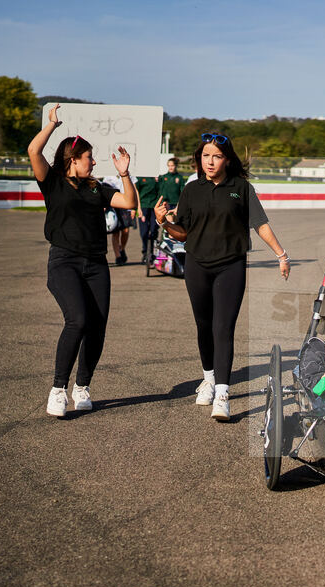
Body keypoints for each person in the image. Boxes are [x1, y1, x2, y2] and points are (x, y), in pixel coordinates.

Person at [156, 133, 290, 421]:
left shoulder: (241, 188)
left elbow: (260, 224)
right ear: (199, 159)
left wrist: (281, 255)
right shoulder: (192, 190)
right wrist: (163, 221)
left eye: (216, 156)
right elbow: (183, 233)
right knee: (203, 326)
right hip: (197, 266)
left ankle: (223, 394)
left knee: (223, 328)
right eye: (205, 156)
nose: (210, 161)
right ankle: (208, 378)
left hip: (230, 266)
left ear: (227, 159)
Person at [28, 103, 139, 417]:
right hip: (63, 262)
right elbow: (34, 149)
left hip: (95, 265)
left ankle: (82, 387)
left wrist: (124, 173)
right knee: (77, 319)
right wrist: (53, 124)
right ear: (73, 160)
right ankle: (58, 390)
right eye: (89, 157)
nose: (93, 162)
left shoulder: (97, 188)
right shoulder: (52, 182)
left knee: (97, 326)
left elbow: (129, 202)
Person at [102, 173, 136, 265]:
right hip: (114, 205)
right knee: (116, 232)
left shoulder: (129, 173)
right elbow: (105, 190)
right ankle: (118, 256)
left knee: (125, 231)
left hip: (126, 205)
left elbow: (135, 190)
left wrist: (135, 208)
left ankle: (122, 248)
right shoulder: (108, 176)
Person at [135, 175, 159, 263]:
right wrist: (138, 209)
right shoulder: (140, 178)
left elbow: (160, 192)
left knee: (153, 230)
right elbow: (136, 192)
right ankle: (145, 251)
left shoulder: (156, 178)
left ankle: (152, 252)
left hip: (153, 206)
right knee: (144, 232)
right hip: (143, 206)